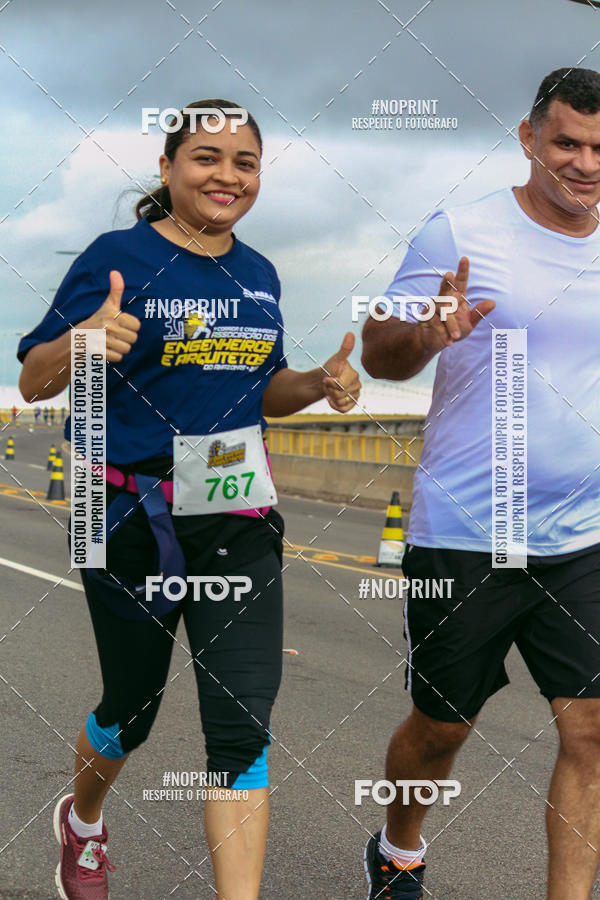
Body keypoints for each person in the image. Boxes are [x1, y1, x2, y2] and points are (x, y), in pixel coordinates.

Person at [18, 99, 361, 900]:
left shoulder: (260, 272)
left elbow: (262, 389)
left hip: (237, 517)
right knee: (130, 711)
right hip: (127, 514)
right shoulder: (119, 257)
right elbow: (36, 375)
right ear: (168, 168)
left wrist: (316, 383)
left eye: (244, 162)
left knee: (241, 728)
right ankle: (85, 821)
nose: (226, 175)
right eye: (206, 157)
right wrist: (81, 342)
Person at [361, 68, 600, 899]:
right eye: (567, 142)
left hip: (584, 536)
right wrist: (428, 333)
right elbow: (377, 355)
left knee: (593, 731)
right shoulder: (459, 231)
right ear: (530, 138)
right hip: (466, 529)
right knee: (441, 729)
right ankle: (398, 846)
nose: (585, 163)